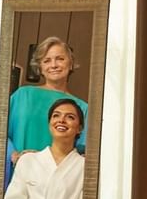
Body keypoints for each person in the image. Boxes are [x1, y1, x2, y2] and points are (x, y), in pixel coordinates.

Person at [5, 37, 90, 190]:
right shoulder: (22, 95)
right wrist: (14, 155)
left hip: (58, 182)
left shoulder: (82, 107)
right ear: (40, 67)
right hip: (18, 174)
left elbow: (81, 151)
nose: (53, 65)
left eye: (60, 59)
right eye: (47, 61)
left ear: (70, 64)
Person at [3, 99, 86, 199]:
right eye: (56, 115)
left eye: (70, 117)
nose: (61, 120)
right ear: (49, 124)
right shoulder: (27, 161)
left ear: (79, 128)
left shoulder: (84, 167)